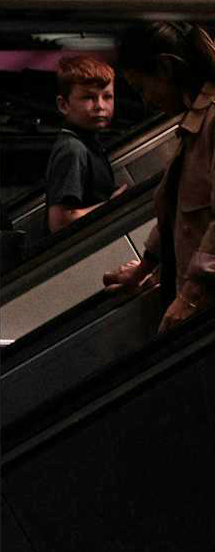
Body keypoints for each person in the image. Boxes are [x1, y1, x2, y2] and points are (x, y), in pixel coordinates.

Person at [105, 21, 215, 332]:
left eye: (142, 87)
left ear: (165, 68)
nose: (145, 100)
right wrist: (144, 268)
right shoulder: (195, 123)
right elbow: (181, 212)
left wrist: (191, 297)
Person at [46, 53, 120, 234]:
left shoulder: (89, 144)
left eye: (107, 96)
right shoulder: (73, 149)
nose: (100, 105)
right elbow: (60, 223)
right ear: (63, 105)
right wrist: (113, 205)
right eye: (89, 98)